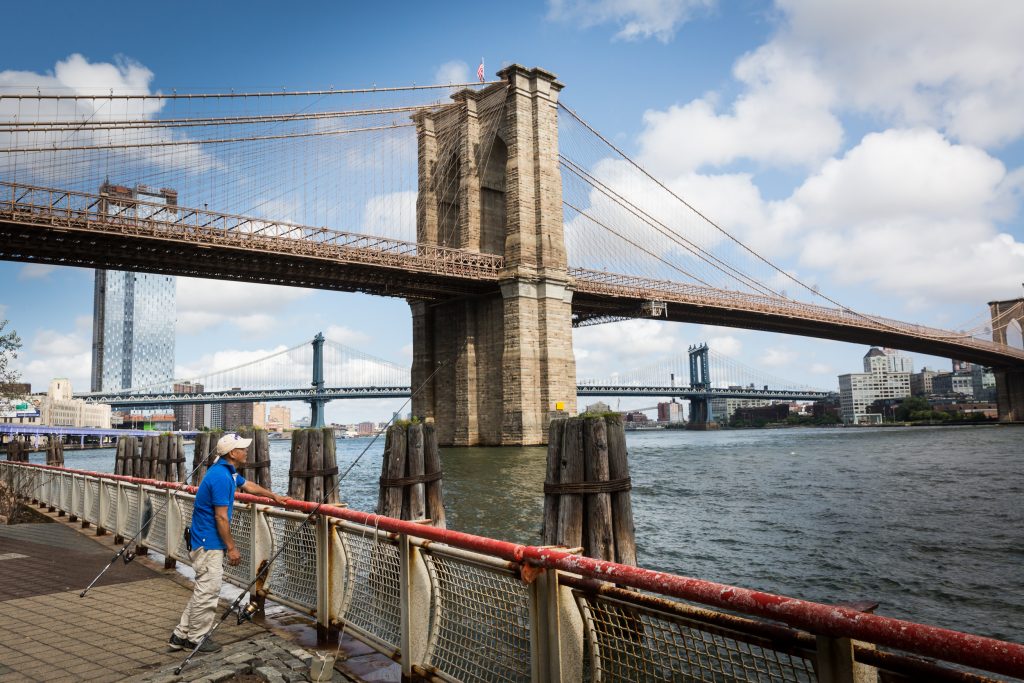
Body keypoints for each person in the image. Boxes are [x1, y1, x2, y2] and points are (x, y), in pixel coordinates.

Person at [169, 433, 288, 653]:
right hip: (209, 543)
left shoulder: (226, 473)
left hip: (203, 540)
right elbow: (221, 517)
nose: (246, 451)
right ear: (232, 453)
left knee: (203, 590)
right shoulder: (222, 478)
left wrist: (274, 496)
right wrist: (232, 548)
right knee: (208, 592)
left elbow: (248, 486)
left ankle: (180, 635)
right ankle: (196, 640)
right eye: (242, 448)